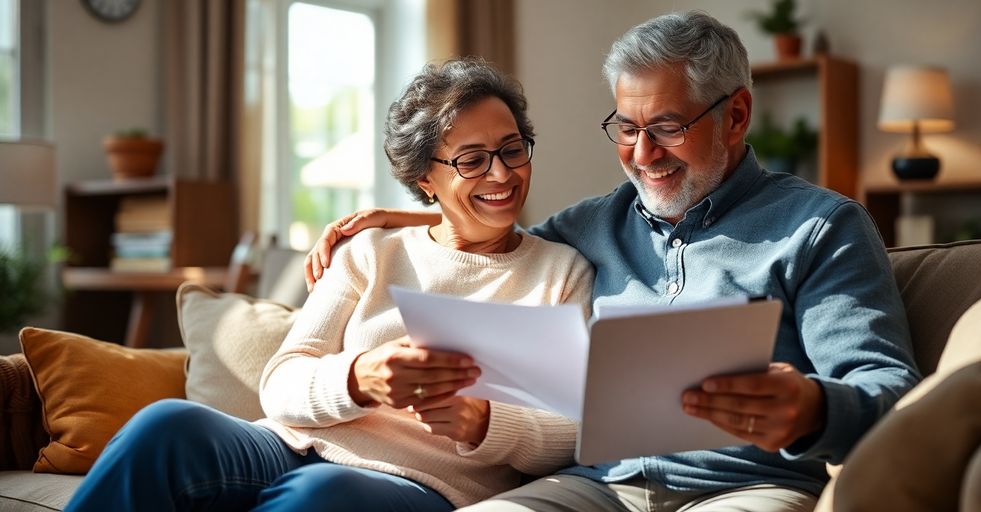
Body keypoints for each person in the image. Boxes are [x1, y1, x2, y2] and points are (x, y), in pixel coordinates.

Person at [303, 11, 921, 512]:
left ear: (736, 116)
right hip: (598, 486)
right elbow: (492, 235)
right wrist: (408, 215)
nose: (643, 153)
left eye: (668, 127)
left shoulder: (820, 227)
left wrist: (814, 409)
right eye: (626, 128)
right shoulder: (594, 223)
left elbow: (894, 394)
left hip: (746, 486)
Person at [66, 58, 594, 512]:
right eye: (472, 160)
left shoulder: (561, 273)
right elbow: (282, 381)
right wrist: (358, 378)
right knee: (166, 426)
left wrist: (483, 422)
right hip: (287, 444)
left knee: (322, 494)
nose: (501, 175)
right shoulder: (370, 252)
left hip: (419, 482)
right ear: (424, 179)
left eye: (512, 149)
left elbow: (575, 427)